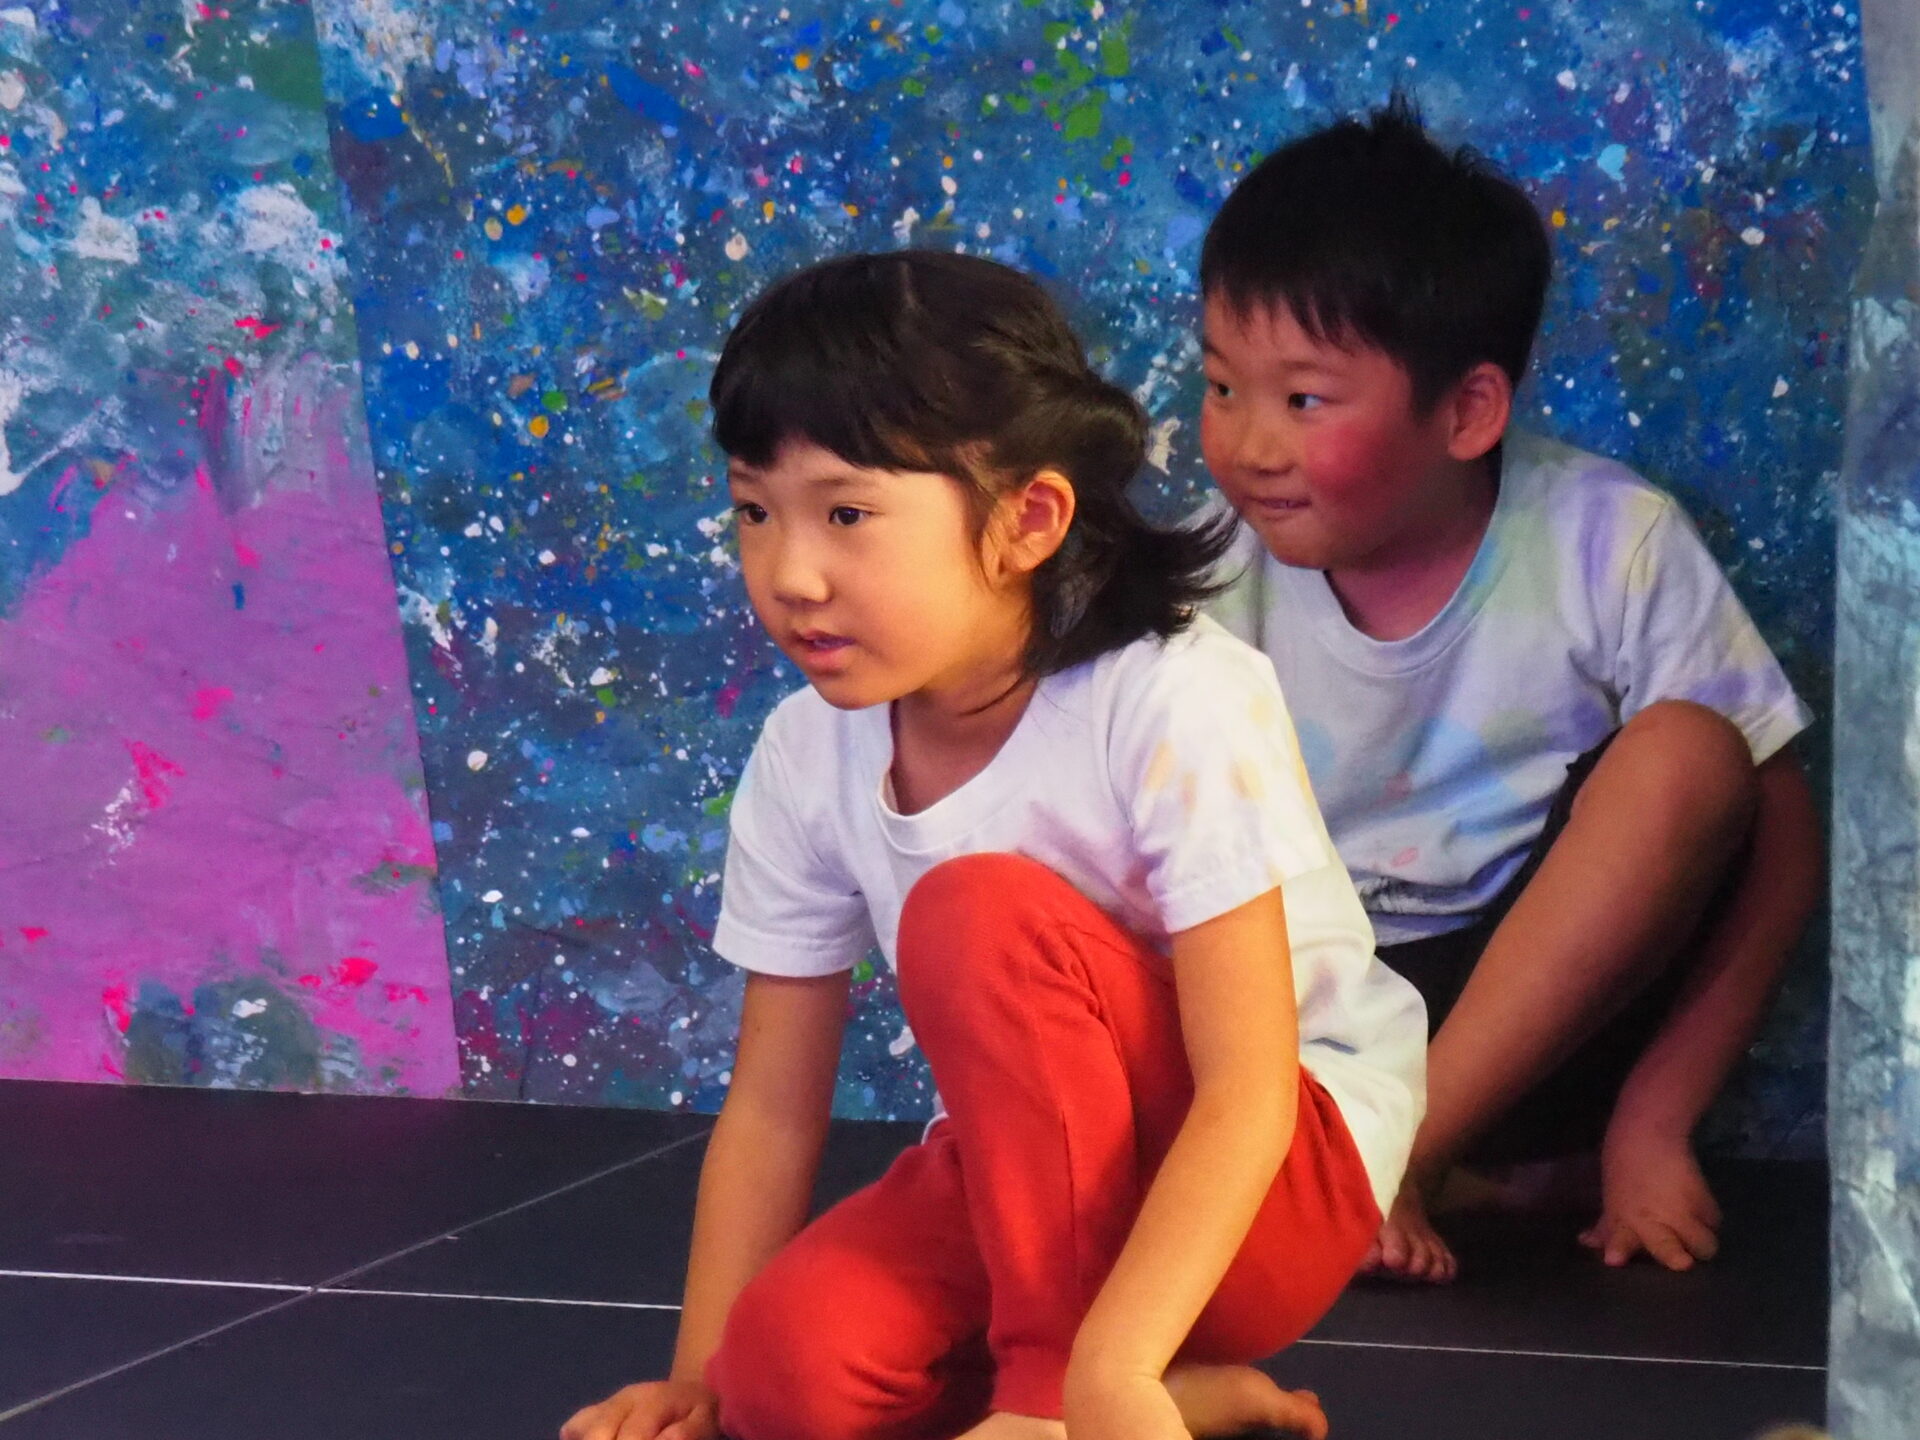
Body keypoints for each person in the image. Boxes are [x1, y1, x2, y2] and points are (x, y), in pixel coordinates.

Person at [561, 251, 1426, 1440]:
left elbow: (1247, 1089)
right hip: (1042, 1188)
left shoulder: (1174, 699)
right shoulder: (806, 751)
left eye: (847, 514)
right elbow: (771, 1108)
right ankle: (1171, 1399)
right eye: (755, 511)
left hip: (1276, 1179)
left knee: (977, 914)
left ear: (1027, 520)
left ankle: (1069, 1395)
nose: (791, 574)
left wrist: (1079, 1387)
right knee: (785, 1379)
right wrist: (697, 1381)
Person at [1199, 97, 1824, 1285]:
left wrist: (1656, 1117)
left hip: (1539, 1020)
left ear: (1468, 411)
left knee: (1693, 753)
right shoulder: (1206, 576)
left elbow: (1779, 843)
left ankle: (1403, 1157)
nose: (1247, 443)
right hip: (1299, 1024)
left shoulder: (1609, 540)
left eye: (1303, 400)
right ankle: (1406, 1167)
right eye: (1222, 386)